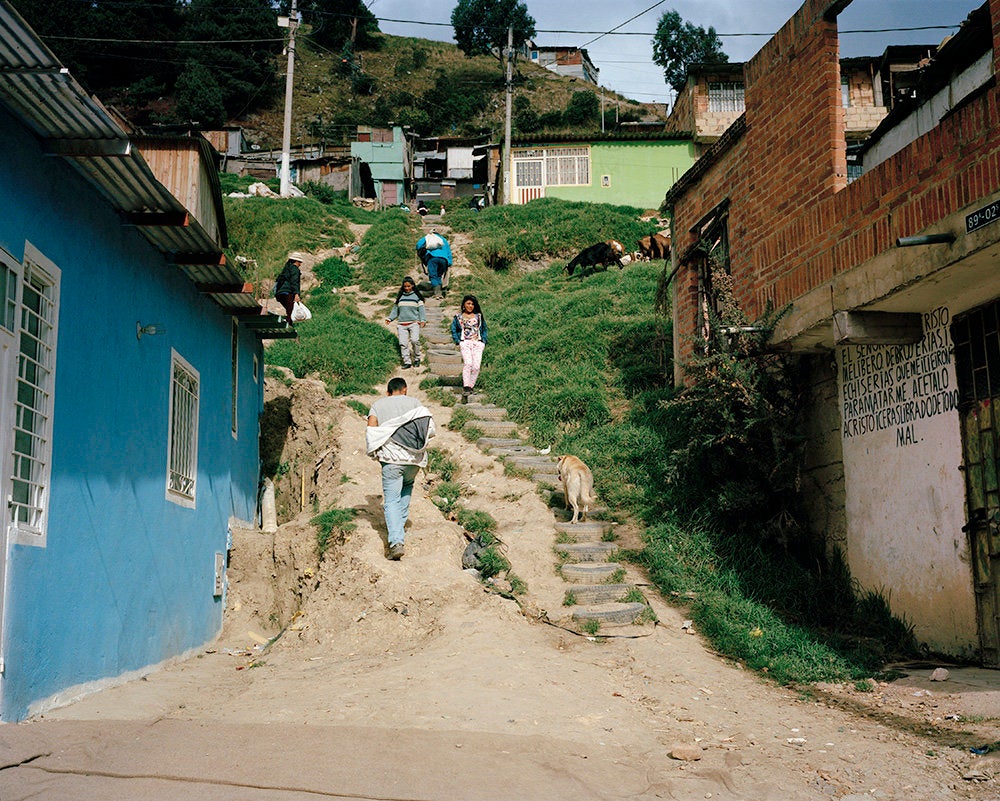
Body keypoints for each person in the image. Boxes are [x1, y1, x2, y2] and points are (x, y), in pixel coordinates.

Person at [365, 378, 435, 560]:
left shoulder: (378, 405)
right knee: (406, 489)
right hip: (413, 460)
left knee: (391, 500)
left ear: (387, 392)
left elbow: (371, 430)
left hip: (391, 460)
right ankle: (399, 529)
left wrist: (375, 451)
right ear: (405, 390)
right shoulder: (415, 403)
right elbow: (429, 428)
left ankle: (396, 542)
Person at [450, 294, 488, 401]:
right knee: (468, 363)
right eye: (468, 303)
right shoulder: (458, 317)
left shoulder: (478, 316)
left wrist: (483, 341)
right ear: (464, 304)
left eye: (472, 304)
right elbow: (453, 329)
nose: (470, 306)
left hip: (477, 343)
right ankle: (466, 386)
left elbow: (484, 328)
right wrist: (458, 341)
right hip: (465, 343)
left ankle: (471, 386)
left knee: (476, 366)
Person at [386, 277, 426, 369]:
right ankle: (407, 361)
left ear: (412, 285)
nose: (407, 288)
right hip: (401, 324)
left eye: (409, 286)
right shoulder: (400, 297)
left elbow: (421, 310)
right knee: (403, 343)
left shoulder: (417, 297)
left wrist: (423, 320)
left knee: (415, 340)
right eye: (405, 286)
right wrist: (390, 318)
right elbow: (395, 309)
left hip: (414, 323)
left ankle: (417, 358)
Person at [415, 229, 452, 298]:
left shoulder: (428, 238)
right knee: (439, 275)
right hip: (444, 260)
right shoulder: (443, 240)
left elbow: (418, 245)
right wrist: (449, 262)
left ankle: (437, 293)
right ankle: (440, 291)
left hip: (432, 258)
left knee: (433, 275)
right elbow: (449, 252)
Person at [274, 251, 304, 327]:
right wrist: (296, 294)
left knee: (289, 310)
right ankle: (288, 327)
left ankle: (288, 325)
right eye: (299, 262)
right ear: (296, 261)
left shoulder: (286, 269)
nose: (300, 264)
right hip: (288, 292)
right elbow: (294, 282)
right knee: (291, 311)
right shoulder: (294, 269)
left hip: (280, 294)